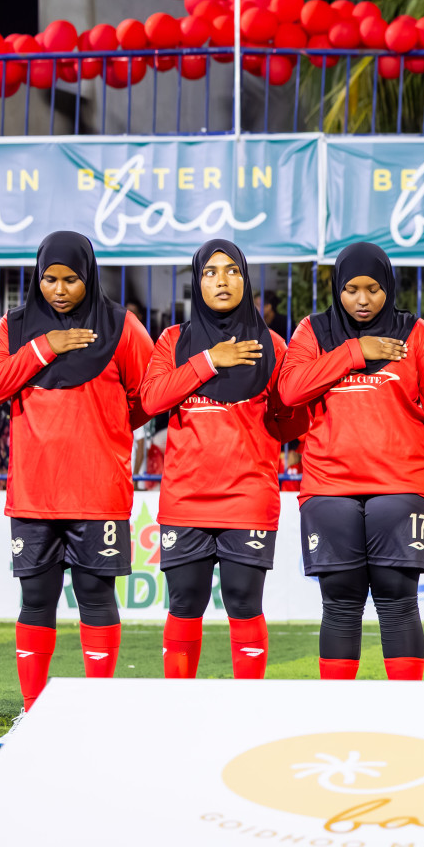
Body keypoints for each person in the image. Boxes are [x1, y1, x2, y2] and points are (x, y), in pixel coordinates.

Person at [0, 231, 154, 747]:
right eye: (49, 279)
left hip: (98, 490)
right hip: (34, 492)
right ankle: (32, 714)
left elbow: (149, 395)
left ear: (88, 275)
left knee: (96, 597)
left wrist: (113, 424)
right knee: (36, 599)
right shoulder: (15, 326)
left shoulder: (120, 326)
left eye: (70, 279)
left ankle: (98, 714)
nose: (58, 289)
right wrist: (41, 347)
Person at [276, 242, 424, 681]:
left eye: (373, 289)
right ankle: (340, 715)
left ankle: (404, 711)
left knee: (398, 600)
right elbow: (289, 390)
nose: (362, 300)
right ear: (337, 288)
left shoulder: (416, 335)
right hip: (328, 487)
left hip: (401, 487)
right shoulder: (312, 332)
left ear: (388, 286)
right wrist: (355, 352)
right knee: (339, 602)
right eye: (352, 289)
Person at [140, 240, 306, 681]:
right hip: (186, 498)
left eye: (232, 270)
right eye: (210, 272)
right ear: (198, 282)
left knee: (244, 602)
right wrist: (209, 361)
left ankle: (245, 710)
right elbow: (152, 398)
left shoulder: (272, 344)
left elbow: (290, 425)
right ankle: (178, 704)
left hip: (247, 497)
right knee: (184, 603)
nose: (221, 280)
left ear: (246, 279)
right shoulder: (174, 341)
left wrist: (293, 404)